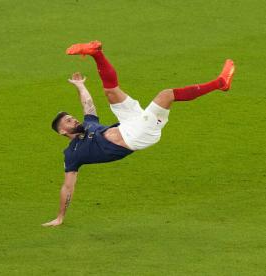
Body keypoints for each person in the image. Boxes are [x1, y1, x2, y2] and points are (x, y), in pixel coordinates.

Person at [42, 41, 235, 227]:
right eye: (68, 121)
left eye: (71, 117)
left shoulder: (89, 124)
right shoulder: (72, 154)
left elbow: (88, 105)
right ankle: (220, 83)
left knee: (111, 92)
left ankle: (96, 53)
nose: (74, 120)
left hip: (129, 123)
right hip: (136, 136)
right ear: (62, 132)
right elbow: (68, 187)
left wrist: (80, 86)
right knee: (166, 95)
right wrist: (60, 217)